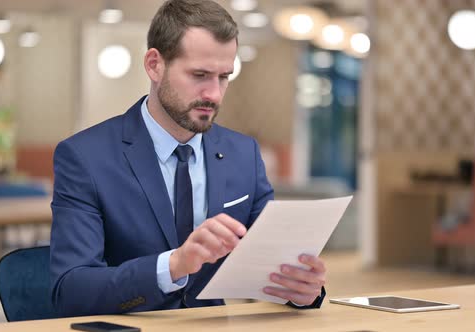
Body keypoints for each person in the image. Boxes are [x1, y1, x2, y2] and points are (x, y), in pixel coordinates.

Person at [50, 0, 326, 317]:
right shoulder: (85, 157)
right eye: (200, 75)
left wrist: (301, 290)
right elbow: (69, 291)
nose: (215, 94)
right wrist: (174, 265)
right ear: (154, 65)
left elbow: (272, 266)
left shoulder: (243, 154)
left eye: (224, 77)